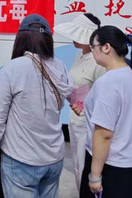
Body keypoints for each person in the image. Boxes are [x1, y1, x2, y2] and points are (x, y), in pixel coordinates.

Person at [0, 14, 72, 198]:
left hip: (21, 158)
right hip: (54, 157)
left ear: (21, 39)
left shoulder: (12, 69)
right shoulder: (60, 66)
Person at [79, 25, 132, 198]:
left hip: (111, 167)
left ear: (106, 47)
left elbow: (104, 134)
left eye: (93, 47)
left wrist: (95, 175)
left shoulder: (108, 82)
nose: (92, 52)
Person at [53, 13, 104, 192]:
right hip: (75, 118)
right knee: (77, 166)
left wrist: (85, 107)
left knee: (84, 167)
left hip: (88, 123)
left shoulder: (98, 62)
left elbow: (102, 95)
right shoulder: (79, 56)